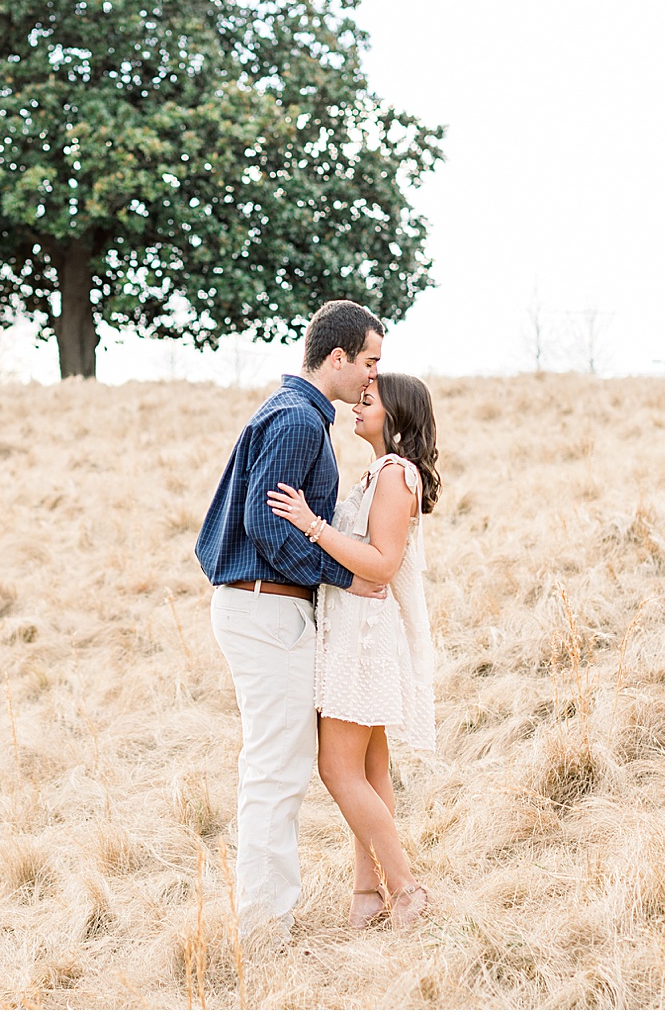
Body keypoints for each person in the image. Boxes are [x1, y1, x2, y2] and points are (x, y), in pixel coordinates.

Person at [194, 299, 389, 941]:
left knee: (276, 759)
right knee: (278, 763)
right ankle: (263, 927)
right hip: (264, 603)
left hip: (264, 603)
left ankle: (265, 915)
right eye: (367, 362)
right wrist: (347, 576)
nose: (371, 377)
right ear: (336, 357)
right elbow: (266, 522)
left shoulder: (294, 413)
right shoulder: (299, 420)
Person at [266, 372, 441, 929]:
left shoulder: (395, 474)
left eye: (369, 401)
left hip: (362, 640)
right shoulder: (380, 472)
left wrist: (312, 526)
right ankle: (368, 897)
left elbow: (382, 563)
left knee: (337, 769)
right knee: (370, 768)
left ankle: (407, 887)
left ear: (395, 415)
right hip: (356, 632)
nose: (357, 406)